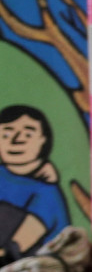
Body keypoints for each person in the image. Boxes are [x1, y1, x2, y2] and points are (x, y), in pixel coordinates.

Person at [0, 105, 69, 259]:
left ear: (43, 140)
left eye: (27, 134)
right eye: (6, 134)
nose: (16, 140)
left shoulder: (46, 190)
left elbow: (16, 246)